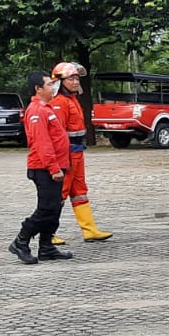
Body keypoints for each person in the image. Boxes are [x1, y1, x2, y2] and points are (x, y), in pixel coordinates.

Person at [9, 70, 74, 265]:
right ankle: (21, 240)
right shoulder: (37, 111)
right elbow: (42, 143)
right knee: (47, 208)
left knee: (55, 208)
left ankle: (46, 246)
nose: (52, 88)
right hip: (44, 168)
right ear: (38, 89)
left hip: (56, 167)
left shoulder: (47, 108)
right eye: (48, 85)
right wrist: (53, 168)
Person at [50, 62, 112, 243]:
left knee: (79, 192)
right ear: (61, 81)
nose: (76, 82)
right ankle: (48, 233)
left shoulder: (73, 99)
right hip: (67, 153)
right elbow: (58, 133)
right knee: (60, 193)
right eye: (72, 78)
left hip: (77, 152)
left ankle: (90, 230)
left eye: (77, 78)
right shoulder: (59, 102)